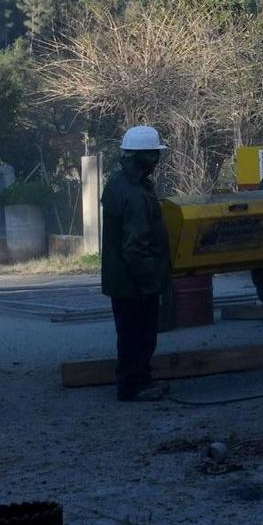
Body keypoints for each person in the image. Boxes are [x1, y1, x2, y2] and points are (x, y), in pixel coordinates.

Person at [101, 125, 171, 401]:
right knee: (140, 337)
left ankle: (139, 379)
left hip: (121, 280)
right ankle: (133, 387)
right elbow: (135, 247)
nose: (156, 161)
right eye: (154, 156)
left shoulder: (118, 183)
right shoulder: (136, 195)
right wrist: (150, 284)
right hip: (135, 283)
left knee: (131, 335)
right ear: (144, 158)